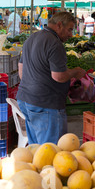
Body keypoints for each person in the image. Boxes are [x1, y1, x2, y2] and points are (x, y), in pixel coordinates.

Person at [16, 11, 87, 145]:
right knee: (52, 151)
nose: (71, 34)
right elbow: (59, 76)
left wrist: (33, 83)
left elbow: (21, 69)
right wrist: (75, 72)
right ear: (59, 25)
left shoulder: (32, 38)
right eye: (70, 29)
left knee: (37, 149)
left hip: (26, 100)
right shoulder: (55, 43)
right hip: (46, 104)